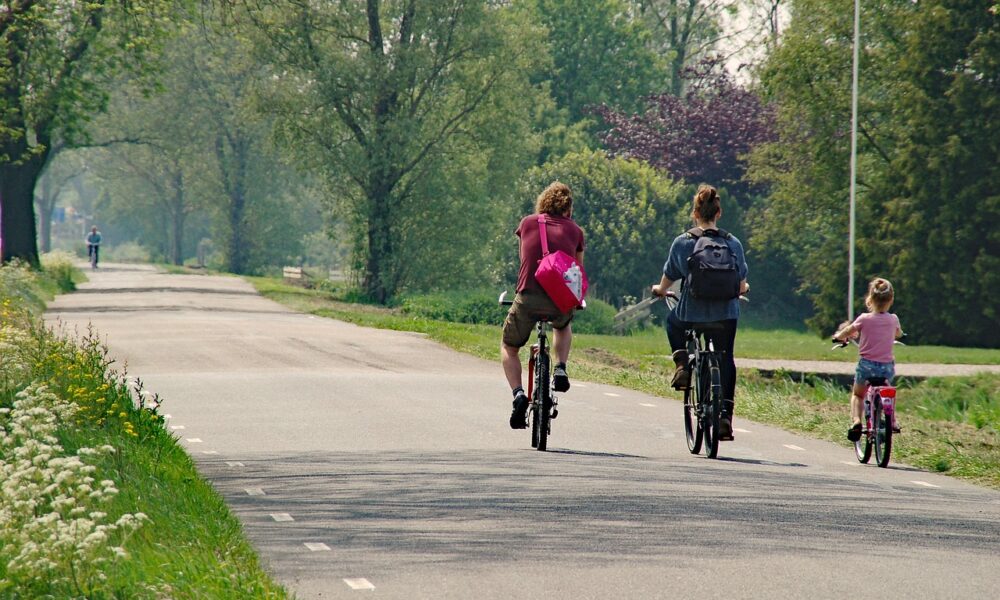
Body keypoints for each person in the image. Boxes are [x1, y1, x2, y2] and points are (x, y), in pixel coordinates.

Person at [650, 185, 749, 441]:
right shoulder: (733, 243)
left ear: (695, 213)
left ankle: (682, 365)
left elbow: (669, 278)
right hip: (726, 315)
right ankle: (725, 415)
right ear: (719, 212)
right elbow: (740, 283)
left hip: (691, 312)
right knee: (726, 358)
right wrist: (743, 288)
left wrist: (659, 290)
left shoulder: (683, 241)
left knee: (673, 323)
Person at [501, 181, 585, 429]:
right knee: (562, 325)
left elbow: (523, 259)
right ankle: (560, 367)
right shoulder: (576, 231)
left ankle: (518, 394)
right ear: (568, 208)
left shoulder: (527, 223)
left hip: (528, 295)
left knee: (509, 345)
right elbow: (577, 271)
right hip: (559, 300)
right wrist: (576, 300)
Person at [832, 277, 903, 441]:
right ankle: (892, 421)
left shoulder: (864, 318)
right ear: (891, 300)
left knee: (858, 394)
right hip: (886, 367)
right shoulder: (893, 319)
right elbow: (899, 333)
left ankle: (856, 421)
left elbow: (849, 330)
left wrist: (838, 336)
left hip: (866, 366)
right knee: (888, 391)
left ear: (869, 299)